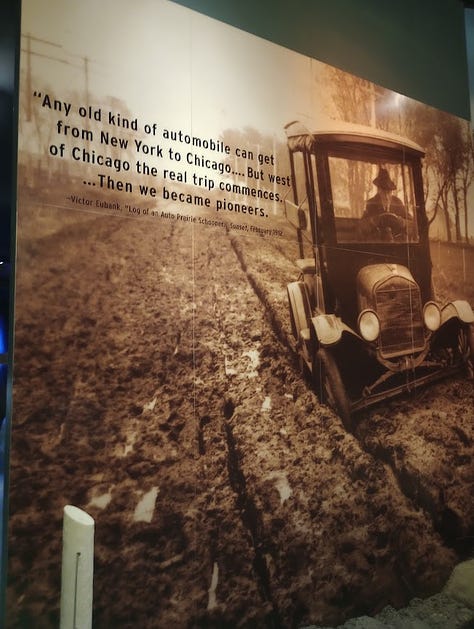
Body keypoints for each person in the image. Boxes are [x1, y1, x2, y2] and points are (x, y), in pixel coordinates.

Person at [360, 167, 410, 240]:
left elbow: (412, 223)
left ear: (391, 192)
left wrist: (403, 222)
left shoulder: (397, 202)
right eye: (384, 192)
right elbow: (363, 226)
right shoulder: (371, 203)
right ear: (379, 190)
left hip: (397, 243)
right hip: (378, 243)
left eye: (389, 192)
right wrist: (373, 221)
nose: (386, 196)